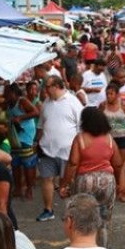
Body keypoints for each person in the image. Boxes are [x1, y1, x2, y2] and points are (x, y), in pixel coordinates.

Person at [59, 107, 122, 247]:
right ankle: (103, 248)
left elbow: (73, 163)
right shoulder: (110, 139)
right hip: (107, 181)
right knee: (103, 220)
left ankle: (83, 246)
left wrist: (64, 184)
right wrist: (119, 183)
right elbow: (117, 164)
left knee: (82, 217)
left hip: (85, 181)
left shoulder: (80, 138)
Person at [35, 76, 84, 222]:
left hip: (67, 151)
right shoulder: (46, 103)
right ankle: (48, 209)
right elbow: (40, 124)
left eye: (47, 86)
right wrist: (36, 142)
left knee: (68, 181)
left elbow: (81, 127)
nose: (45, 90)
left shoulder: (73, 102)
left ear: (56, 86)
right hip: (46, 148)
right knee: (46, 179)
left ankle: (70, 211)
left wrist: (79, 149)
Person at [5, 83, 39, 200]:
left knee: (27, 163)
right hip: (14, 135)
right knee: (15, 162)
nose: (5, 95)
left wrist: (20, 118)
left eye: (7, 93)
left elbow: (35, 112)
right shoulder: (8, 103)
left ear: (13, 93)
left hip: (25, 134)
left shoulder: (22, 101)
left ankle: (29, 189)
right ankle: (18, 188)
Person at [100, 82, 125, 166]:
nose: (109, 96)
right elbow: (98, 122)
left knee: (121, 164)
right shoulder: (102, 105)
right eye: (107, 94)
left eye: (111, 94)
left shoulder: (124, 106)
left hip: (122, 138)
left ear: (117, 95)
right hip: (108, 138)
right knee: (109, 163)